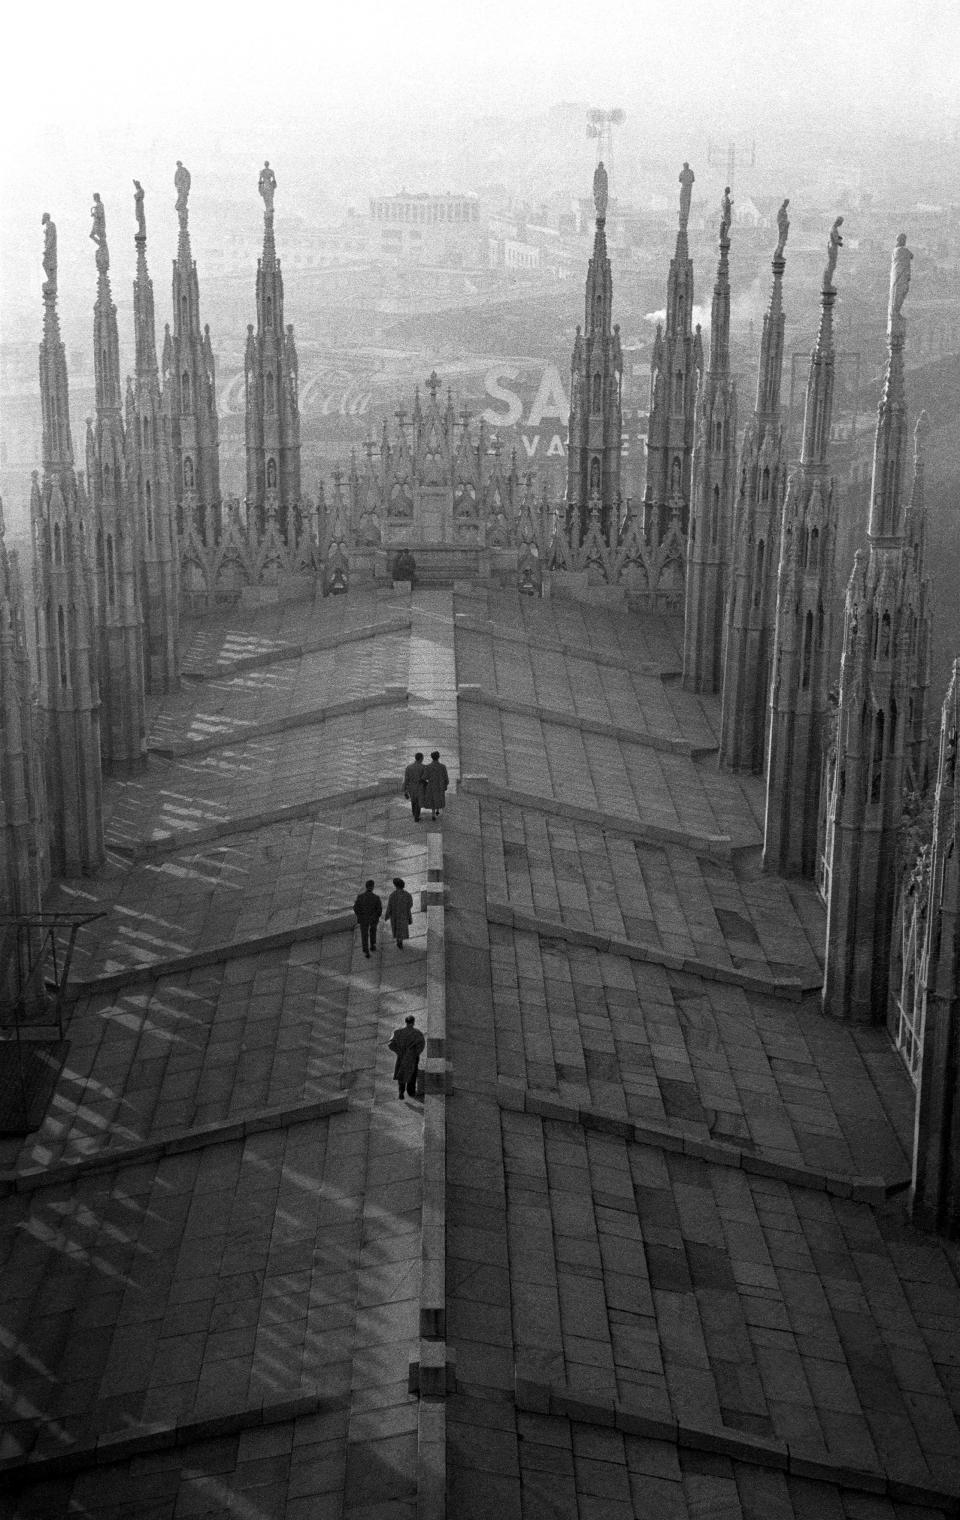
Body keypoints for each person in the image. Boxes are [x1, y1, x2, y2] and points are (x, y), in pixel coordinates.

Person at [388, 1014, 425, 1099]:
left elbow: (390, 1044)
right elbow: (421, 1045)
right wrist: (415, 1054)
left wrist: (398, 1052)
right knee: (412, 1074)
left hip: (401, 1056)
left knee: (401, 1073)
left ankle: (401, 1091)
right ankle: (411, 1092)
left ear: (405, 1022)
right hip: (412, 1057)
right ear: (413, 1022)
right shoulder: (417, 1033)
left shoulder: (398, 1032)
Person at [353, 879, 382, 958]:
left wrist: (359, 916)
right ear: (372, 887)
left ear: (366, 887)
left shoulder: (360, 897)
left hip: (363, 919)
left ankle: (366, 951)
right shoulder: (376, 898)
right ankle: (372, 945)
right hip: (373, 919)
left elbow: (355, 908)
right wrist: (376, 917)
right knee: (373, 932)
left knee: (364, 935)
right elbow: (379, 910)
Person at [386, 877, 414, 948]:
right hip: (404, 915)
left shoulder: (392, 895)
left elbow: (389, 907)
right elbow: (410, 904)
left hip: (395, 916)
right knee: (402, 928)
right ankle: (400, 940)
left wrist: (387, 916)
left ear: (396, 886)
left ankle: (398, 940)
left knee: (396, 928)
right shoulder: (407, 895)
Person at [422, 751, 449, 820]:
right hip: (440, 785)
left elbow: (424, 777)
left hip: (431, 785)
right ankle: (437, 810)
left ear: (431, 757)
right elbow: (446, 777)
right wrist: (446, 784)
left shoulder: (428, 767)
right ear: (438, 757)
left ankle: (433, 814)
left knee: (432, 799)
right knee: (438, 798)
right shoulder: (443, 767)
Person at [403, 752, 427, 822]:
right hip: (419, 787)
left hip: (411, 787)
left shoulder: (409, 767)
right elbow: (425, 778)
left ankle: (414, 813)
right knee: (418, 801)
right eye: (422, 758)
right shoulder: (423, 767)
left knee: (413, 800)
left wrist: (405, 790)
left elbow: (406, 779)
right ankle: (416, 816)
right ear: (421, 759)